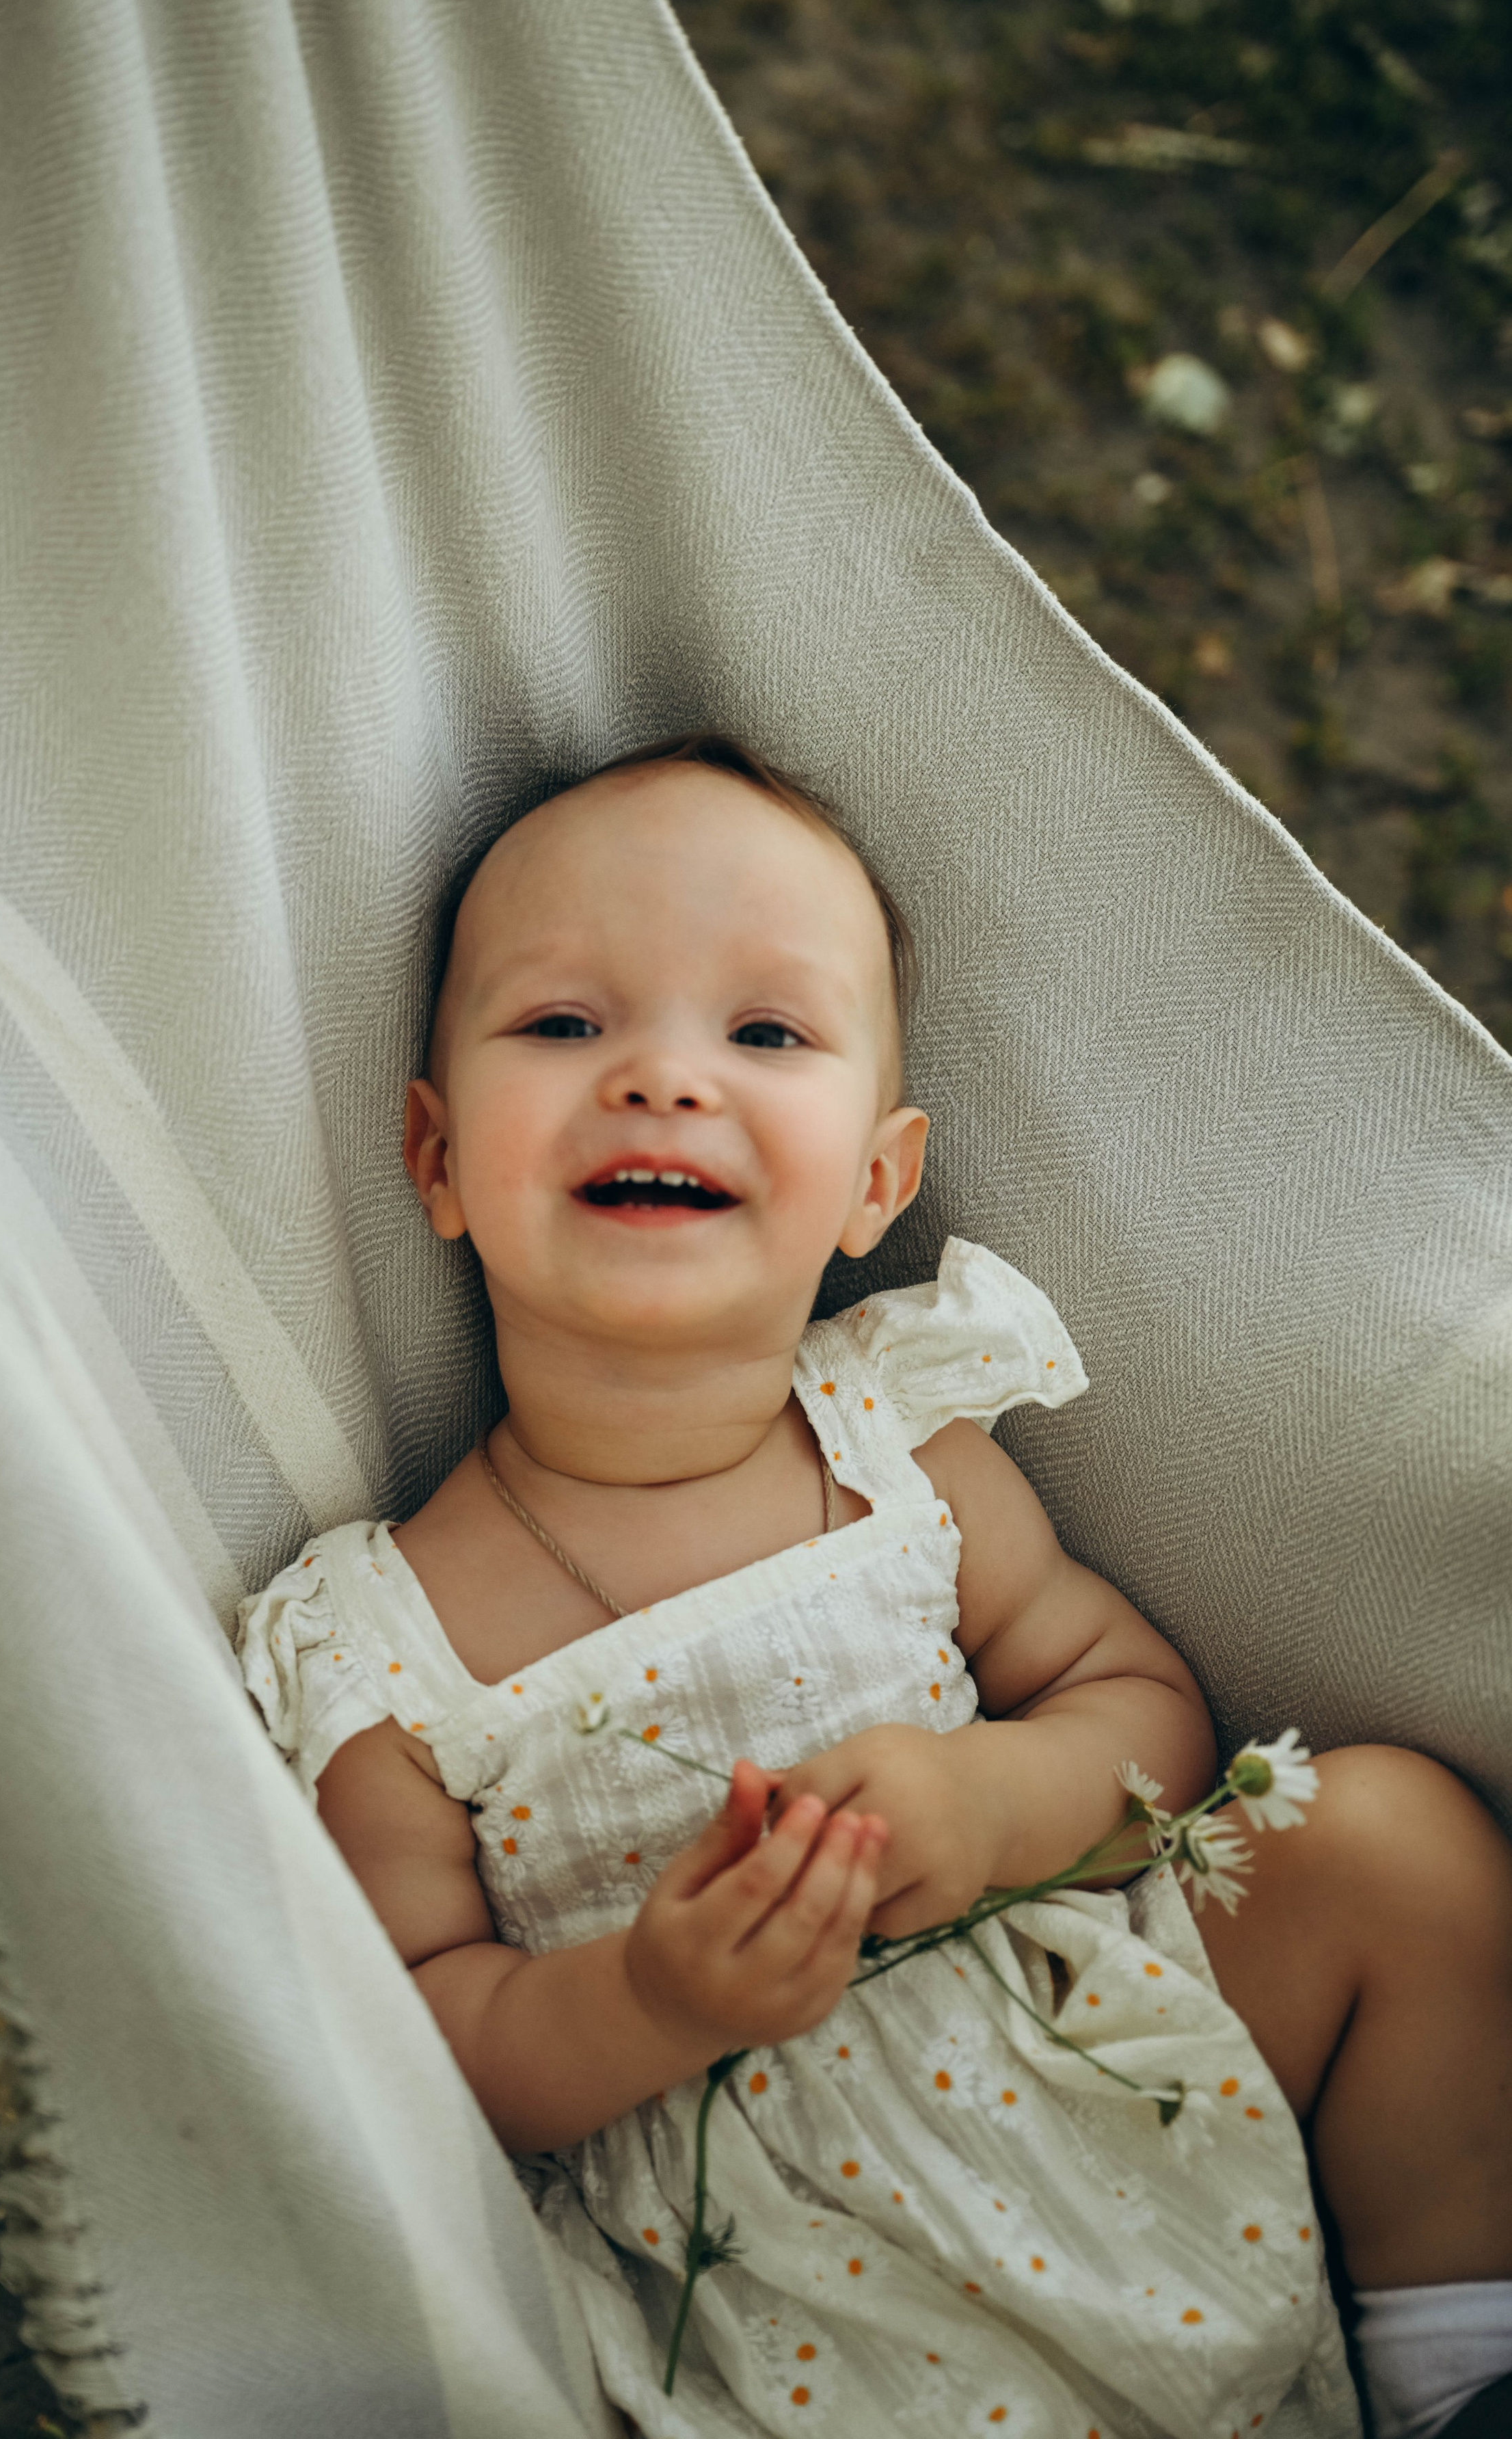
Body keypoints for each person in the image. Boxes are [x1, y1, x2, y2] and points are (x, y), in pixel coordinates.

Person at [238, 735, 1512, 2439]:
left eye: (761, 1034)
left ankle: (1451, 2380)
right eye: (563, 1024)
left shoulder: (896, 1447)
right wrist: (646, 1999)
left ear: (875, 1184)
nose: (661, 1080)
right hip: (778, 2286)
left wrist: (987, 1802)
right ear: (436, 1156)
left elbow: (1136, 1707)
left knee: (1391, 1840)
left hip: (1099, 2066)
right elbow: (424, 2042)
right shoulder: (382, 1640)